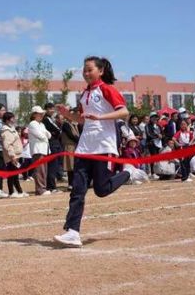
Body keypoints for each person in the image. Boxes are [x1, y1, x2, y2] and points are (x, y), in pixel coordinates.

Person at [54, 56, 137, 248]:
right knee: (77, 189)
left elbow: (124, 112)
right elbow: (83, 119)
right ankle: (73, 232)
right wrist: (67, 114)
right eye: (84, 70)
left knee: (101, 189)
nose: (86, 73)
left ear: (100, 71)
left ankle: (128, 172)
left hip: (104, 146)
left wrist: (100, 117)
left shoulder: (107, 89)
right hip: (84, 147)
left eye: (89, 69)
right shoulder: (84, 94)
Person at [0, 112, 27, 198]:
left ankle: (19, 191)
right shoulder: (6, 131)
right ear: (7, 120)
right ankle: (11, 192)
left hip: (16, 155)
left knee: (15, 174)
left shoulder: (12, 129)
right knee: (12, 175)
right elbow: (8, 144)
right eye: (12, 118)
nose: (14, 119)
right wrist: (12, 156)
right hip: (12, 156)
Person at [27, 106, 52, 196]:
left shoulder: (41, 124)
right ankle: (40, 189)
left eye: (42, 113)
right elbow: (40, 136)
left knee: (44, 170)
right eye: (39, 113)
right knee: (39, 170)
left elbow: (49, 135)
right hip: (37, 150)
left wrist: (44, 134)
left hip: (44, 149)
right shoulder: (32, 124)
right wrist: (44, 134)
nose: (41, 115)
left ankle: (42, 188)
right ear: (34, 114)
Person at [43, 103, 63, 192]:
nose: (52, 110)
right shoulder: (46, 118)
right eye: (50, 109)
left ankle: (51, 185)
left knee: (55, 165)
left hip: (55, 143)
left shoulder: (50, 118)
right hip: (52, 144)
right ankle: (52, 186)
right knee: (52, 165)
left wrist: (56, 132)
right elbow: (57, 130)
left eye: (53, 109)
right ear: (46, 109)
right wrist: (56, 132)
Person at [61, 109, 80, 190]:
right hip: (70, 147)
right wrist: (80, 140)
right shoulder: (66, 124)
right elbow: (71, 135)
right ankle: (70, 184)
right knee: (70, 166)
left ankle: (76, 183)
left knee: (76, 166)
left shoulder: (75, 124)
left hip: (76, 147)